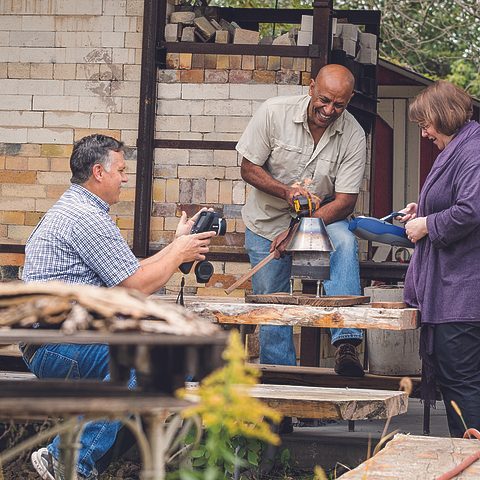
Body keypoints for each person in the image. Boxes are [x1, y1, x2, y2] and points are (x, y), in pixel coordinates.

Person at [22, 134, 216, 480]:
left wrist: (176, 247)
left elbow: (130, 272)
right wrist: (179, 254)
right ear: (99, 171)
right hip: (57, 347)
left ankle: (85, 464)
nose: (126, 178)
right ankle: (68, 460)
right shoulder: (85, 217)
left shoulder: (81, 210)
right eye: (122, 170)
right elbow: (136, 287)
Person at [236, 64, 367, 378]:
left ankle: (346, 342)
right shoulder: (273, 112)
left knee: (345, 241)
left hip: (322, 219)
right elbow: (248, 168)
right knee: (273, 307)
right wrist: (285, 192)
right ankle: (280, 392)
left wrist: (298, 230)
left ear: (348, 102)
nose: (329, 109)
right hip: (267, 222)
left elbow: (345, 200)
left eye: (339, 105)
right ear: (311, 88)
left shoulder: (354, 133)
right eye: (324, 99)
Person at [399, 81, 480, 438]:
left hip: (462, 290)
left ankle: (469, 462)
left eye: (427, 124)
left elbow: (471, 209)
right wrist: (424, 209)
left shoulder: (473, 151)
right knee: (459, 377)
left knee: (460, 378)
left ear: (445, 116)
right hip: (455, 287)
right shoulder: (461, 147)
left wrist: (428, 224)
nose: (425, 132)